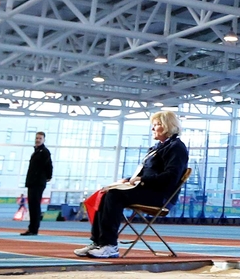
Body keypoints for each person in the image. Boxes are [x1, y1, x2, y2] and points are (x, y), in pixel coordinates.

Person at [73, 110, 189, 258]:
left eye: (156, 125)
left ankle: (110, 245)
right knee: (106, 193)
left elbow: (171, 177)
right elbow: (146, 173)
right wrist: (128, 180)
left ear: (168, 126)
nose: (152, 128)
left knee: (114, 195)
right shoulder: (157, 147)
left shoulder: (177, 147)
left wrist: (142, 180)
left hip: (161, 196)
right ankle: (98, 242)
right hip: (147, 190)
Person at [22, 131, 53, 236]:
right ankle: (32, 228)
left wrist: (48, 177)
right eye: (37, 138)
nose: (38, 140)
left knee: (35, 205)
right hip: (32, 182)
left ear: (44, 140)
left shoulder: (44, 152)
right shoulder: (36, 151)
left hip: (38, 182)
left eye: (40, 138)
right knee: (32, 205)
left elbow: (49, 165)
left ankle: (34, 229)